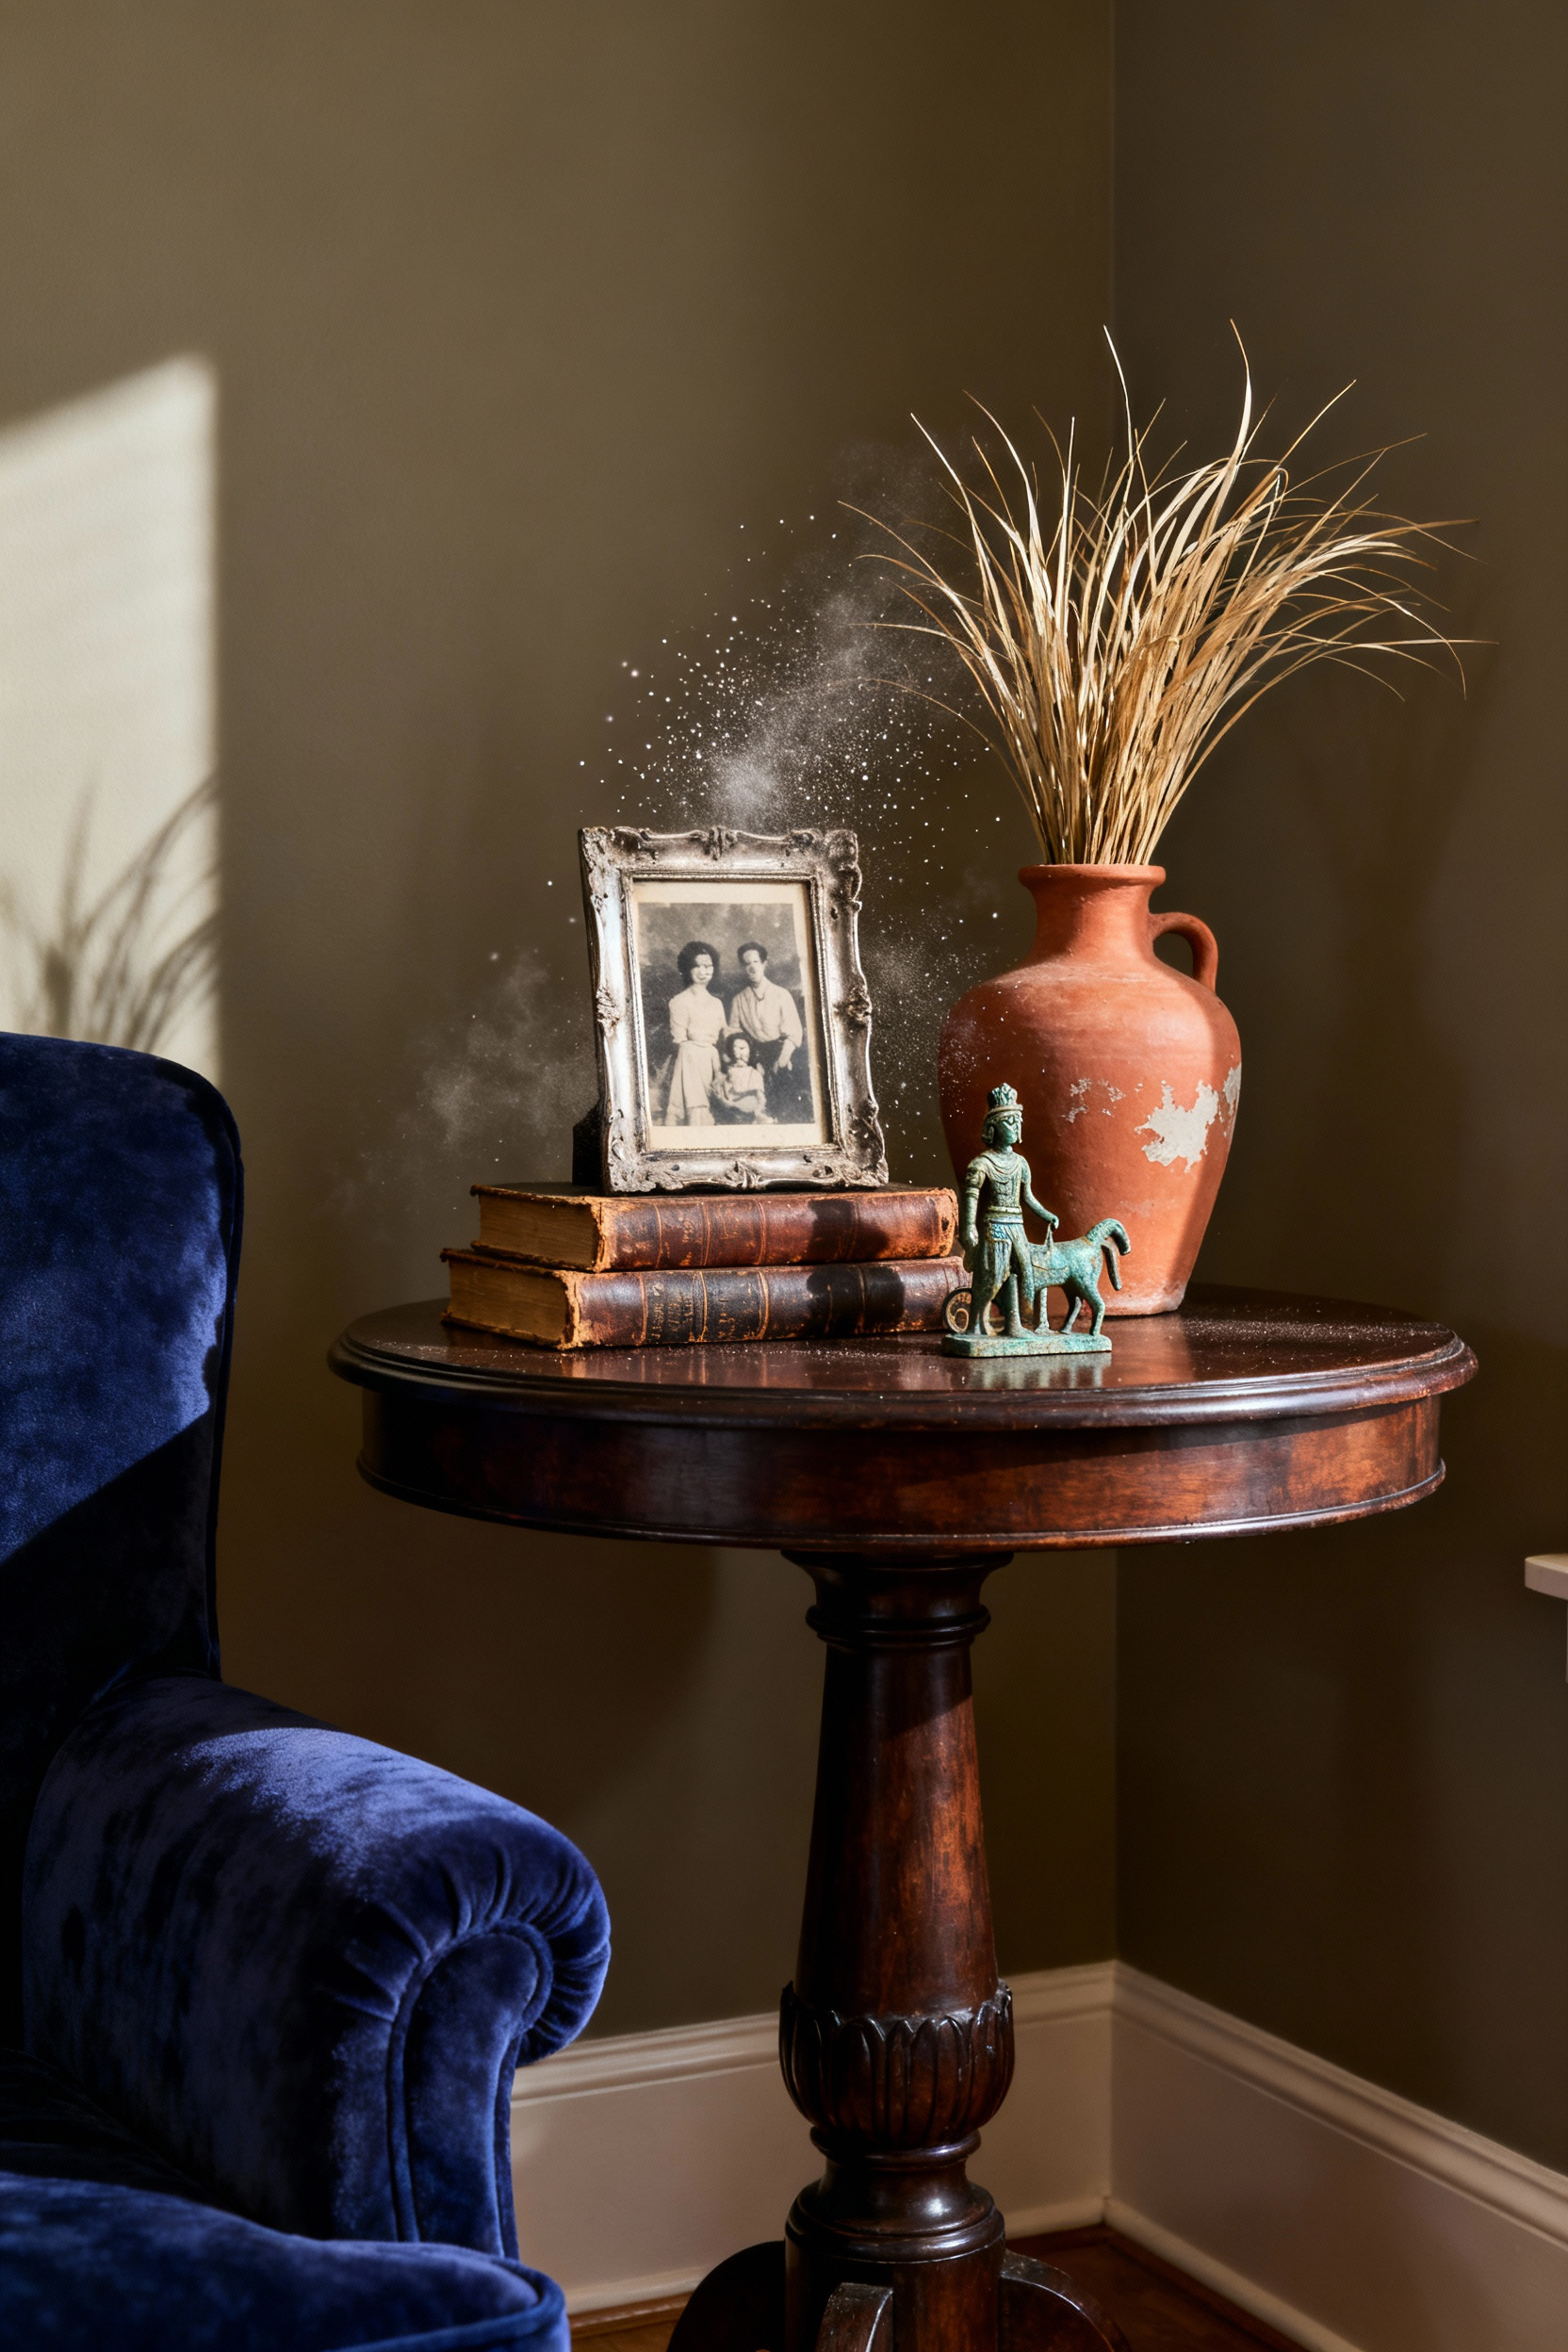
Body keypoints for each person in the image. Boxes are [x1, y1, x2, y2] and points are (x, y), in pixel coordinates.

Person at [959, 1082, 1059, 1338]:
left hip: (1017, 1227)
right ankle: (975, 1326)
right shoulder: (981, 1164)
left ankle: (1015, 1324)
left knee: (1021, 1272)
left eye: (1018, 1122)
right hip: (995, 1227)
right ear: (992, 1128)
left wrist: (1047, 1215)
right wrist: (969, 1227)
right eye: (1009, 1122)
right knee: (993, 1275)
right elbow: (971, 1198)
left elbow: (1028, 1197)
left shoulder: (1020, 1163)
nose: (1016, 1128)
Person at [727, 941, 811, 1122]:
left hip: (781, 1053)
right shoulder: (739, 1000)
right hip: (754, 1055)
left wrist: (782, 1059)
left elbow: (795, 1032)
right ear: (743, 967)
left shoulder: (781, 995)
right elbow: (735, 1033)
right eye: (747, 963)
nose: (752, 967)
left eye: (755, 962)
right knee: (752, 1105)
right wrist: (747, 1060)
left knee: (784, 1105)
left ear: (764, 964)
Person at [657, 940, 726, 1125]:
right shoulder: (678, 1002)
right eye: (698, 966)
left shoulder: (717, 1003)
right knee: (689, 1053)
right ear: (688, 969)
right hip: (688, 1061)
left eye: (708, 966)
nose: (703, 972)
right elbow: (680, 1041)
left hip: (712, 1061)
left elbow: (722, 1037)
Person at [710, 1030, 773, 1123]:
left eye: (742, 1048)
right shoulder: (728, 1073)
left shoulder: (753, 1073)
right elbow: (723, 1095)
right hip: (730, 1112)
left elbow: (761, 1098)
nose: (737, 1052)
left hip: (749, 1111)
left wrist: (758, 1111)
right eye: (734, 1048)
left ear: (749, 1051)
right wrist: (724, 1100)